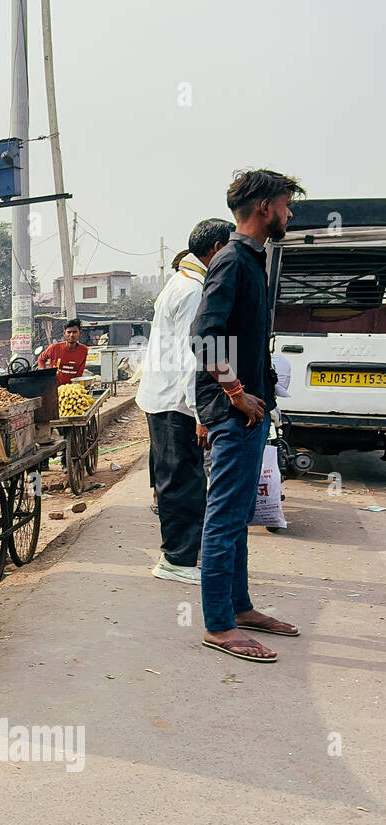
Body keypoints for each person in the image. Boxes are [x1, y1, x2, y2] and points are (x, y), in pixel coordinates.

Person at [191, 169, 305, 663]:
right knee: (222, 519)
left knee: (237, 516)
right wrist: (235, 392)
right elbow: (204, 334)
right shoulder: (233, 260)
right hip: (234, 412)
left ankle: (240, 607)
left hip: (252, 413)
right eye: (285, 204)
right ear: (263, 207)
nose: (289, 213)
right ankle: (219, 625)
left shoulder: (251, 259)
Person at [137, 218, 234, 583]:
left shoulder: (181, 282)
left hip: (165, 398)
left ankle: (182, 556)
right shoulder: (194, 291)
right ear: (215, 250)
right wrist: (200, 413)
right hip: (175, 402)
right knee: (183, 482)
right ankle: (176, 560)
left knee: (178, 478)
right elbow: (188, 358)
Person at [38, 319, 88, 384]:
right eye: (69, 332)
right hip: (53, 387)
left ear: (80, 333)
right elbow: (41, 359)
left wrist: (75, 387)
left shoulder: (83, 350)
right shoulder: (54, 348)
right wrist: (43, 375)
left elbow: (80, 372)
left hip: (71, 389)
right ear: (64, 333)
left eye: (75, 332)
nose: (71, 335)